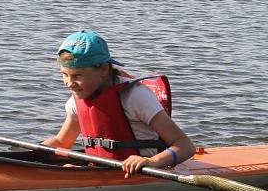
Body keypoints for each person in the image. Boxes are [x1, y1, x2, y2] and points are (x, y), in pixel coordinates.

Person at [42, 30, 195, 177]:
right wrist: (25, 154)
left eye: (77, 76)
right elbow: (62, 142)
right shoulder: (78, 99)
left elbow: (185, 146)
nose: (69, 83)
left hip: (141, 171)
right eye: (65, 75)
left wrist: (152, 162)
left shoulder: (135, 96)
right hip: (100, 169)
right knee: (67, 167)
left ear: (103, 69)